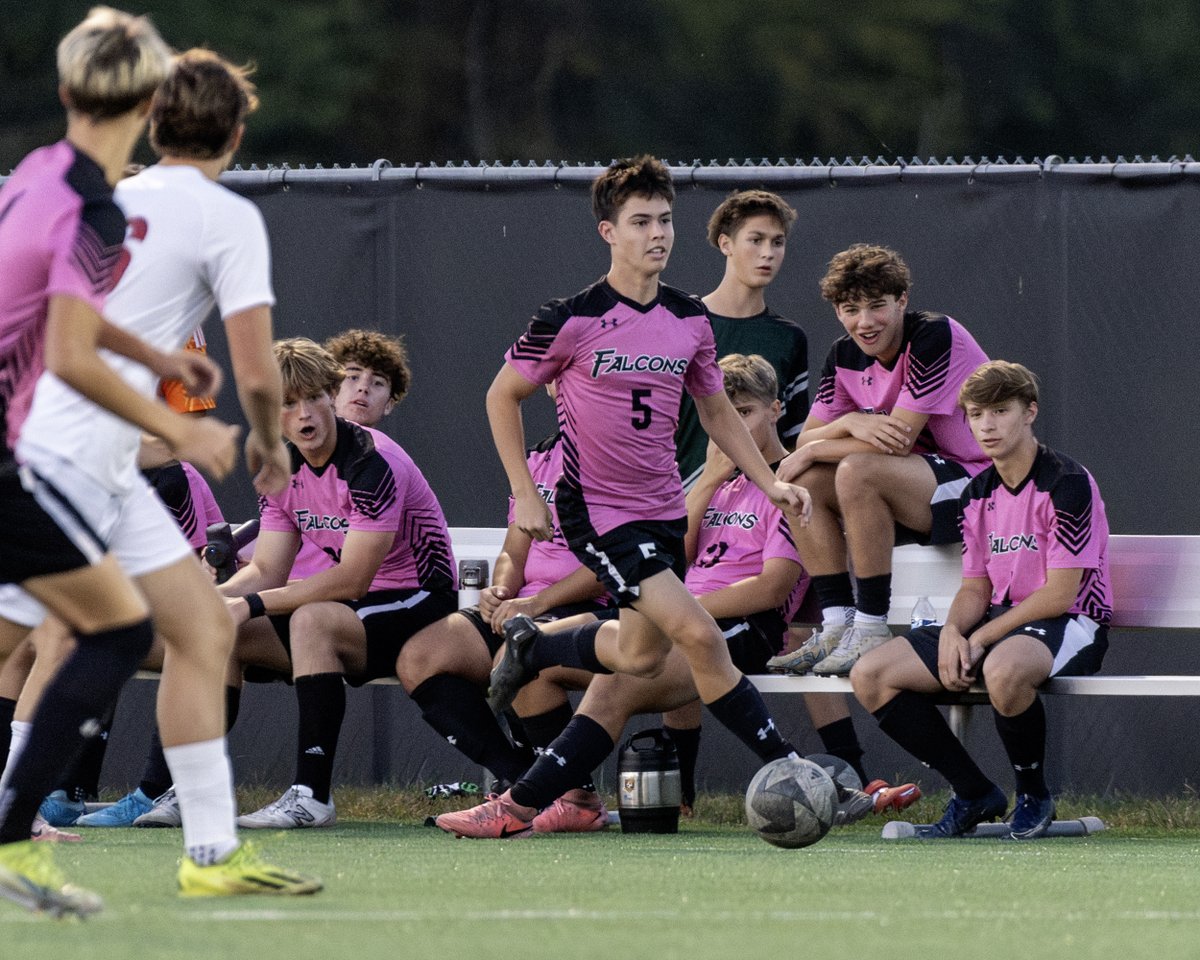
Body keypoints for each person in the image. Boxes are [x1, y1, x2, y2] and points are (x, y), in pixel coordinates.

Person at [436, 155, 823, 839]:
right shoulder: (572, 317)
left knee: (639, 657)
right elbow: (501, 395)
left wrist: (772, 481)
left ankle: (542, 646)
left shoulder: (689, 319)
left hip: (663, 512)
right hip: (600, 513)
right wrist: (525, 493)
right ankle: (795, 771)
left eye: (665, 220)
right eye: (641, 222)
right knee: (701, 637)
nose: (658, 234)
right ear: (608, 231)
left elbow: (716, 413)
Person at [0, 10, 287, 917]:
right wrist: (240, 439)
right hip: (64, 453)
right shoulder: (198, 213)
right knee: (77, 639)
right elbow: (244, 371)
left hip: (90, 455)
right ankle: (15, 833)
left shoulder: (78, 187)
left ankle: (210, 852)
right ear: (236, 134)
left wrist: (161, 368)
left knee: (199, 629)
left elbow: (67, 320)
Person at [222, 338, 531, 829]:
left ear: (331, 395)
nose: (306, 413)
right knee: (221, 630)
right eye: (288, 403)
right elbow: (265, 570)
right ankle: (180, 788)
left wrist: (253, 604)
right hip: (360, 609)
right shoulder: (279, 468)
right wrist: (210, 601)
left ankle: (311, 795)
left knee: (312, 621)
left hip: (417, 599)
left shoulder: (370, 460)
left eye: (316, 397)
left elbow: (352, 577)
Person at [850, 361, 1112, 838]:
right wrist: (952, 632)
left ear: (1029, 411)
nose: (986, 426)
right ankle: (973, 793)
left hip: (1072, 622)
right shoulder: (976, 493)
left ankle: (1033, 795)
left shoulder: (1067, 482)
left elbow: (1061, 593)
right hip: (1000, 622)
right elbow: (975, 587)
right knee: (871, 674)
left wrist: (982, 635)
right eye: (975, 414)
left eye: (1000, 411)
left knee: (1002, 669)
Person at [771, 243, 990, 677]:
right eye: (851, 309)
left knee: (856, 469)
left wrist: (817, 446)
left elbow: (899, 441)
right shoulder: (843, 355)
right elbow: (807, 444)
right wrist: (849, 421)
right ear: (837, 311)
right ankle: (836, 624)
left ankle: (871, 626)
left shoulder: (934, 334)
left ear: (902, 301)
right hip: (914, 486)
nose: (865, 322)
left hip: (978, 483)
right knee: (808, 480)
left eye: (877, 307)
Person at [674, 190, 808, 490]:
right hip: (678, 505)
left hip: (755, 511)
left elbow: (793, 438)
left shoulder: (789, 338)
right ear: (726, 244)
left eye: (778, 242)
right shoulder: (680, 323)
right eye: (756, 239)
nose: (768, 253)